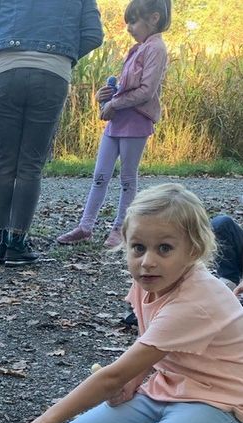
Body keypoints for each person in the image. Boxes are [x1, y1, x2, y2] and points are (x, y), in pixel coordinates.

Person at [17, 184, 243, 423]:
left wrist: (44, 421)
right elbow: (148, 343)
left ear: (193, 250)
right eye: (138, 247)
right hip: (169, 386)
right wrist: (135, 381)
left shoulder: (195, 301)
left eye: (164, 248)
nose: (147, 261)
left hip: (220, 402)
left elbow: (112, 376)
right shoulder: (151, 280)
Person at [0, 0, 103, 266]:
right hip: (52, 73)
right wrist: (62, 54)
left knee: (3, 162)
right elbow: (93, 35)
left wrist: (8, 50)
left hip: (4, 69)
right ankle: (17, 243)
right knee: (30, 165)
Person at [58, 0, 170, 249]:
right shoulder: (138, 48)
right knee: (100, 175)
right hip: (117, 120)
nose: (129, 28)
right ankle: (85, 226)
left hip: (136, 120)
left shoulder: (156, 48)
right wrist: (108, 94)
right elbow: (128, 86)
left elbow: (146, 91)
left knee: (127, 178)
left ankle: (120, 228)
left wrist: (115, 104)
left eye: (133, 22)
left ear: (154, 18)